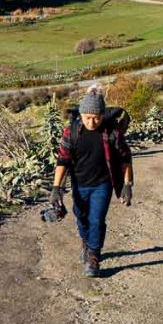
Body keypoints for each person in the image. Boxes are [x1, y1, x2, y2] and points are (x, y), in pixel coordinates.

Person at [51, 85, 134, 278]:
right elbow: (62, 160)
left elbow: (125, 158)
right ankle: (86, 244)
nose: (92, 121)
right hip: (79, 184)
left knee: (96, 220)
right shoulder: (71, 132)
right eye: (88, 117)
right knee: (81, 217)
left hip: (102, 184)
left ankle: (94, 256)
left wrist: (127, 185)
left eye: (96, 117)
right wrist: (56, 188)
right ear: (81, 114)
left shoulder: (112, 133)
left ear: (102, 114)